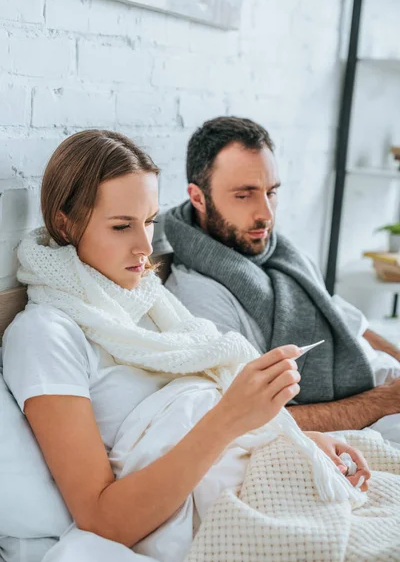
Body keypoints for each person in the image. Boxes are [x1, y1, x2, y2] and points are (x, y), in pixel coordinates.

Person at [1, 130, 370, 560]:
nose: (145, 247)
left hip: (251, 469)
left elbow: (210, 402)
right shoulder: (46, 334)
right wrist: (231, 418)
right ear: (65, 224)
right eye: (122, 226)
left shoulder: (148, 299)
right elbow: (103, 521)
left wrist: (296, 439)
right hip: (208, 514)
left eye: (150, 221)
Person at [164, 116, 400, 435]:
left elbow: (345, 319)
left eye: (271, 192)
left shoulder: (280, 252)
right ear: (198, 198)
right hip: (368, 416)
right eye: (244, 195)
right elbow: (250, 424)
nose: (267, 214)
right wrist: (384, 402)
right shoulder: (198, 298)